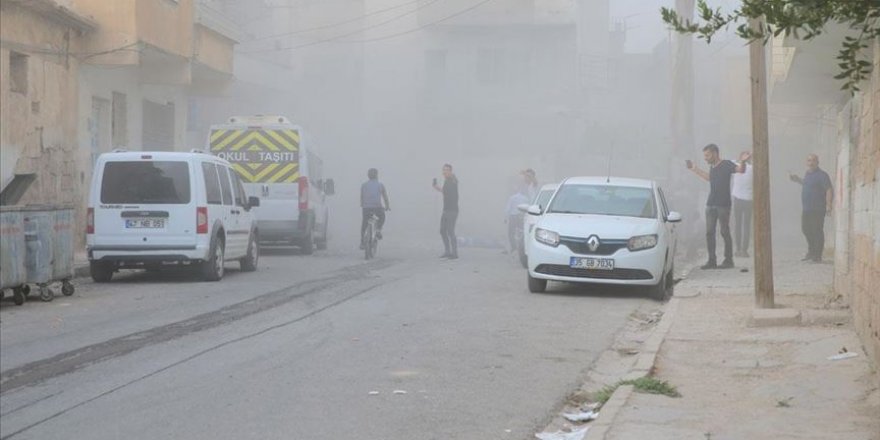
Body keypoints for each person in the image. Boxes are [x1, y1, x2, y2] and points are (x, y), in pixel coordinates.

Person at [686, 144, 748, 269]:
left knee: (724, 231)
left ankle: (728, 260)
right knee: (709, 233)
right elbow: (709, 178)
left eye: (707, 155)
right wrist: (694, 168)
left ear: (715, 153)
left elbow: (741, 170)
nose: (706, 158)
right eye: (705, 156)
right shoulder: (712, 167)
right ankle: (712, 260)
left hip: (723, 204)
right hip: (711, 204)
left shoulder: (726, 164)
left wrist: (743, 161)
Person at [789, 154, 833, 263]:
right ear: (806, 163)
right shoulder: (808, 174)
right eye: (809, 161)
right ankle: (811, 251)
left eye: (813, 160)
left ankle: (817, 255)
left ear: (817, 162)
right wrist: (797, 179)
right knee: (806, 229)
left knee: (817, 231)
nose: (811, 163)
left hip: (818, 208)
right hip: (807, 208)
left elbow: (829, 189)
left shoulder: (822, 175)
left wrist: (829, 205)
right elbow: (807, 184)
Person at [433, 164, 459, 259]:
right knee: (442, 230)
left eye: (447, 170)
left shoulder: (452, 180)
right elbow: (445, 192)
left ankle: (454, 253)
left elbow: (450, 191)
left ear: (451, 171)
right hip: (446, 209)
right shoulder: (447, 181)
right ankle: (448, 251)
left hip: (452, 210)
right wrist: (437, 187)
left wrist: (440, 189)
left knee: (450, 231)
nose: (445, 172)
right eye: (444, 170)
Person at [360, 168, 389, 249]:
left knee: (364, 224)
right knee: (382, 217)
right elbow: (385, 197)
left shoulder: (364, 185)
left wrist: (362, 205)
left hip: (366, 209)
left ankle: (362, 242)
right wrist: (387, 206)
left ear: (368, 176)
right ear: (376, 175)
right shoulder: (380, 185)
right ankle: (378, 230)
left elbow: (362, 197)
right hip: (377, 208)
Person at [731, 151, 753, 258]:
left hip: (741, 199)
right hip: (746, 199)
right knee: (745, 225)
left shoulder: (736, 165)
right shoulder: (751, 168)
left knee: (739, 225)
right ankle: (743, 249)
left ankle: (740, 249)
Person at [504, 187, 530, 254]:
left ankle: (514, 247)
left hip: (513, 217)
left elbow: (508, 209)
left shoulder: (512, 198)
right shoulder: (526, 199)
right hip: (521, 217)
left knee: (511, 233)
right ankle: (522, 247)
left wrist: (505, 218)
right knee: (522, 232)